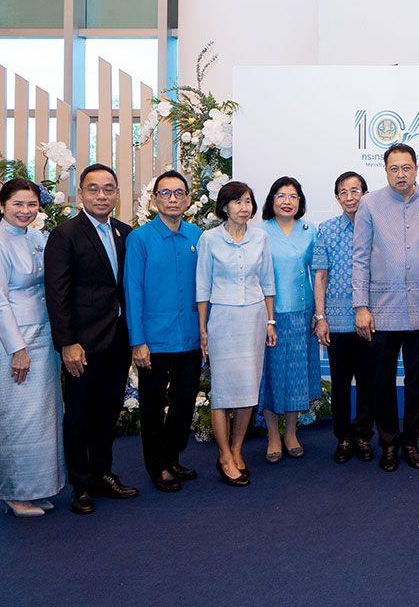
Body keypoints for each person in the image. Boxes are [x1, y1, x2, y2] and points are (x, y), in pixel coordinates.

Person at [44, 163, 137, 515]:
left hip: (117, 339)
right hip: (82, 343)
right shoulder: (65, 234)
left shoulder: (125, 233)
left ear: (117, 193)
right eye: (94, 189)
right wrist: (67, 342)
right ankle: (80, 485)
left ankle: (102, 474)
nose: (102, 195)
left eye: (108, 189)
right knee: (79, 414)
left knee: (107, 411)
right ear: (81, 193)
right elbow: (57, 294)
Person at [353, 143, 419, 472]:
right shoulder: (369, 204)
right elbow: (360, 257)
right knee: (382, 380)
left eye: (406, 167)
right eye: (394, 168)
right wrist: (360, 305)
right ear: (386, 170)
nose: (401, 174)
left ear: (416, 168)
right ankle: (389, 442)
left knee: (417, 380)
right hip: (380, 309)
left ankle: (412, 440)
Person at [123, 170, 203, 493]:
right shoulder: (140, 239)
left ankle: (171, 456)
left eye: (178, 193)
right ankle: (158, 466)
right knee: (153, 407)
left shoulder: (198, 236)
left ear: (187, 199)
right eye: (165, 193)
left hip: (190, 338)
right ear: (154, 199)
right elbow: (133, 291)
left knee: (184, 404)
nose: (172, 199)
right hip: (153, 341)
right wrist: (137, 341)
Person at [196, 181, 276, 487]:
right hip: (223, 320)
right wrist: (203, 328)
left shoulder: (260, 238)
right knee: (223, 391)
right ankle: (224, 454)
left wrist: (271, 321)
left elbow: (267, 281)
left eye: (248, 202)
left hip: (254, 318)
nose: (245, 208)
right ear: (225, 206)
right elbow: (202, 285)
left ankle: (238, 449)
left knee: (247, 388)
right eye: (238, 202)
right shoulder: (209, 239)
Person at [0, 178, 64, 517]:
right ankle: (15, 492)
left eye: (31, 204)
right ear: (2, 205)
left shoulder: (38, 237)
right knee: (18, 417)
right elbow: (0, 302)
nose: (26, 211)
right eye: (18, 205)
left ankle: (37, 486)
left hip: (44, 333)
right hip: (14, 339)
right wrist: (17, 349)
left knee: (42, 416)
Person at [257, 177, 320, 463]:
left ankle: (291, 433)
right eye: (281, 195)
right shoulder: (259, 232)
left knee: (296, 375)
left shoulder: (310, 231)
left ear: (300, 202)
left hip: (301, 312)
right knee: (270, 375)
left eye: (293, 196)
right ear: (272, 200)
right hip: (267, 313)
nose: (287, 201)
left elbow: (319, 275)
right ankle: (272, 435)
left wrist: (319, 314)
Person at [314, 171, 374, 464]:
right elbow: (321, 276)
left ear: (365, 193)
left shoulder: (376, 227)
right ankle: (343, 437)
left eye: (355, 190)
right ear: (337, 198)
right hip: (336, 320)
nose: (350, 197)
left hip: (370, 318)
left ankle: (363, 436)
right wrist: (320, 316)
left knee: (368, 382)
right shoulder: (325, 230)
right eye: (343, 192)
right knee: (340, 383)